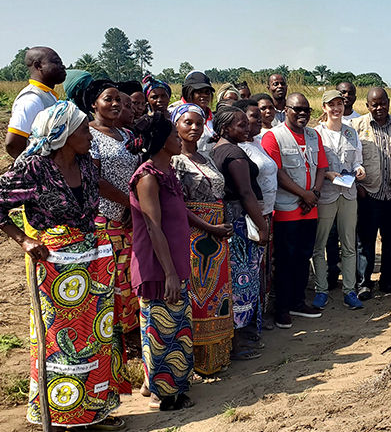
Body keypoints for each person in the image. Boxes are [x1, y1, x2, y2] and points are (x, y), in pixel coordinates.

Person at [0, 101, 127, 429]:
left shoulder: (85, 163)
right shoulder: (34, 167)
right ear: (64, 134)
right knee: (59, 341)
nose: (89, 134)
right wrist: (24, 240)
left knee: (97, 338)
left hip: (94, 263)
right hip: (54, 268)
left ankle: (94, 411)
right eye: (84, 129)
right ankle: (58, 415)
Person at [129, 112, 229, 410]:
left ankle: (161, 384)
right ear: (162, 143)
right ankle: (165, 394)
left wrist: (209, 228)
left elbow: (180, 211)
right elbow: (152, 226)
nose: (179, 139)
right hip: (158, 266)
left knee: (176, 326)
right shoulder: (147, 177)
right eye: (174, 136)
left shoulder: (166, 172)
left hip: (173, 261)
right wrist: (169, 273)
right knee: (162, 330)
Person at [170, 104, 236, 374]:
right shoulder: (174, 161)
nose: (194, 128)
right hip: (193, 235)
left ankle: (215, 358)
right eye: (188, 123)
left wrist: (220, 227)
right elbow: (177, 205)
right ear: (176, 126)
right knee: (196, 295)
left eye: (199, 123)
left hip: (217, 236)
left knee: (217, 296)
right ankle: (194, 359)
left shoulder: (206, 157)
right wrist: (209, 227)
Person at [261, 93, 327, 326]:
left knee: (303, 256)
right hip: (287, 209)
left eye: (306, 110)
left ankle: (298, 302)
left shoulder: (313, 135)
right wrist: (304, 194)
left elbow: (321, 167)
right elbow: (276, 172)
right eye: (297, 109)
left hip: (310, 208)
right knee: (286, 260)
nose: (302, 114)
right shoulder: (273, 136)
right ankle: (282, 308)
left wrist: (315, 193)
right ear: (286, 110)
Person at [211, 106, 270, 349]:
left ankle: (238, 334)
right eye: (241, 125)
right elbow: (246, 193)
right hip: (241, 223)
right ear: (225, 129)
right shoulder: (233, 153)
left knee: (235, 279)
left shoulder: (216, 150)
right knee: (243, 281)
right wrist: (263, 227)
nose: (247, 128)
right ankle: (240, 338)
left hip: (233, 220)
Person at [86, 79, 142, 338]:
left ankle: (130, 332)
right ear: (94, 104)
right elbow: (96, 180)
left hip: (132, 217)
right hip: (106, 219)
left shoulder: (128, 135)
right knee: (110, 278)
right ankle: (112, 335)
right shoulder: (89, 135)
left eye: (118, 99)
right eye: (108, 99)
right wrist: (129, 203)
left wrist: (136, 206)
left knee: (130, 275)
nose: (115, 104)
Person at [352, 87, 391, 298]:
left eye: (382, 103)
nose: (379, 108)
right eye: (374, 104)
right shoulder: (356, 126)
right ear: (367, 105)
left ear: (388, 102)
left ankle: (388, 281)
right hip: (368, 194)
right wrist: (358, 186)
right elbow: (350, 160)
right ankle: (364, 283)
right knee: (365, 242)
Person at [311, 90, 366, 310]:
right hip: (326, 194)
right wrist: (326, 174)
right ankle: (321, 290)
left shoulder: (351, 133)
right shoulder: (315, 134)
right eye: (331, 105)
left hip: (348, 193)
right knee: (320, 244)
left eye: (339, 104)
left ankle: (350, 291)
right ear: (324, 108)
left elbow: (357, 161)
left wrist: (359, 169)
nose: (336, 109)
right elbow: (312, 165)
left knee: (349, 245)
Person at [235, 99, 278, 331]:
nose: (259, 120)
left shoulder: (259, 142)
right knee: (250, 271)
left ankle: (261, 314)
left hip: (267, 213)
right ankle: (249, 323)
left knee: (264, 268)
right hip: (252, 218)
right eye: (253, 117)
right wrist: (261, 221)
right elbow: (244, 189)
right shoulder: (237, 150)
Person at [5, 46, 66, 158]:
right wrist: (33, 169)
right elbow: (13, 143)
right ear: (38, 66)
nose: (63, 67)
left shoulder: (47, 95)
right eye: (56, 62)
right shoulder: (32, 99)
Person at [170, 71, 216, 155]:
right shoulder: (175, 112)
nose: (204, 95)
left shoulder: (213, 117)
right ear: (189, 92)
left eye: (207, 92)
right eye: (199, 92)